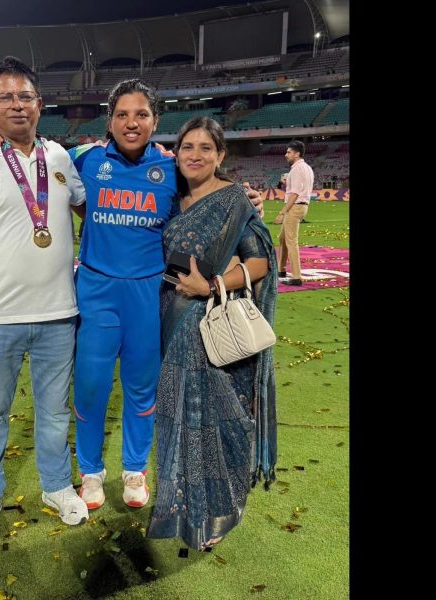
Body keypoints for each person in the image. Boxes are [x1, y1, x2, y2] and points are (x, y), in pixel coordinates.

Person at [0, 79, 265, 513]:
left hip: (147, 298)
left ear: (156, 121)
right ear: (109, 120)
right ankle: (91, 474)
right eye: (122, 115)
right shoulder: (84, 160)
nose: (132, 123)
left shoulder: (171, 170)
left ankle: (135, 470)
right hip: (95, 295)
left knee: (141, 390)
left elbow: (209, 197)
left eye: (142, 115)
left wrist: (247, 203)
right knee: (90, 390)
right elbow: (35, 150)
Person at [0, 56, 89, 545]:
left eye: (24, 96)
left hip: (59, 314)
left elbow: (93, 210)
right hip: (0, 318)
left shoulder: (62, 159)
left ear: (40, 104)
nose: (16, 105)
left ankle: (55, 486)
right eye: (5, 97)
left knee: (54, 413)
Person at [145, 116, 277, 551]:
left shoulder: (235, 200)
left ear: (221, 156)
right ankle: (181, 506)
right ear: (176, 152)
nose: (195, 155)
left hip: (209, 324)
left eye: (206, 148)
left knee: (217, 420)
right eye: (187, 147)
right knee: (176, 414)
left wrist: (213, 285)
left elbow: (258, 262)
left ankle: (216, 513)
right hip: (168, 318)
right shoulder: (170, 197)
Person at [275, 140, 314, 285]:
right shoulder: (306, 167)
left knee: (291, 241)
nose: (286, 155)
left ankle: (296, 277)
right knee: (282, 238)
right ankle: (281, 269)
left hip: (295, 207)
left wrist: (283, 211)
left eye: (289, 152)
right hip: (301, 206)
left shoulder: (297, 169)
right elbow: (298, 189)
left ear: (297, 154)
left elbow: (296, 193)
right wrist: (287, 183)